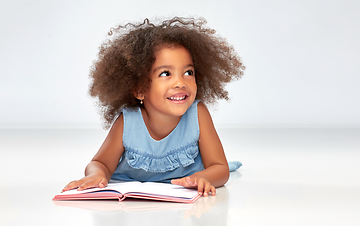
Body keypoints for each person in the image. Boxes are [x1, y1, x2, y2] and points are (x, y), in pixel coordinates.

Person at [63, 17, 245, 197]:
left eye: (188, 72)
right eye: (166, 73)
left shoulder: (198, 114)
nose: (180, 82)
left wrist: (202, 177)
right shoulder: (128, 121)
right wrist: (98, 174)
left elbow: (220, 168)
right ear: (140, 89)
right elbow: (100, 162)